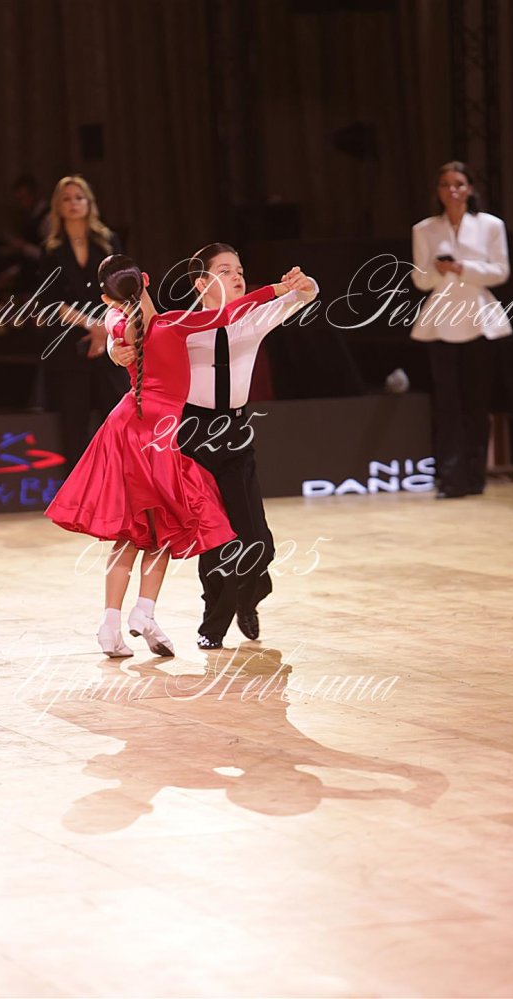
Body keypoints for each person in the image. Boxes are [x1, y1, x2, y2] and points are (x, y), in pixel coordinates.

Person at [45, 254, 297, 659]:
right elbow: (229, 314)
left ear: (108, 298)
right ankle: (143, 612)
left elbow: (115, 326)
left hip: (126, 429)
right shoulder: (173, 324)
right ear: (146, 279)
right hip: (159, 437)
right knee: (167, 523)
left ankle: (116, 623)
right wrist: (278, 289)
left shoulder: (119, 324)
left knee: (138, 530)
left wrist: (112, 343)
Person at [110, 243, 318, 649]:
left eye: (239, 269)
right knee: (214, 538)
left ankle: (249, 598)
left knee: (257, 542)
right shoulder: (180, 324)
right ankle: (213, 625)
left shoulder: (255, 316)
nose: (237, 276)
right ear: (201, 283)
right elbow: (132, 337)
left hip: (235, 434)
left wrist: (303, 283)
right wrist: (115, 352)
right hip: (192, 434)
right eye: (225, 270)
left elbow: (304, 295)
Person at [410, 160, 512, 498]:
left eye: (458, 184)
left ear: (469, 189)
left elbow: (500, 271)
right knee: (447, 403)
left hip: (479, 318)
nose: (452, 190)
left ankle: (474, 475)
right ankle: (450, 478)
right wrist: (439, 270)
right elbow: (420, 279)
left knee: (476, 402)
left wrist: (462, 267)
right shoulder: (425, 229)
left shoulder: (490, 225)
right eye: (445, 185)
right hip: (441, 320)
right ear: (438, 191)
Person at [38, 175, 130, 467]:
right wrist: (91, 326)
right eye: (66, 199)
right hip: (70, 343)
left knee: (118, 418)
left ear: (89, 203)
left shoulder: (108, 242)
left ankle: (124, 482)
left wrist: (105, 329)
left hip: (110, 339)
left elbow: (122, 290)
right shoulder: (51, 249)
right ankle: (80, 491)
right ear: (58, 206)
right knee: (74, 426)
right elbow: (50, 301)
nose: (73, 203)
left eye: (79, 197)